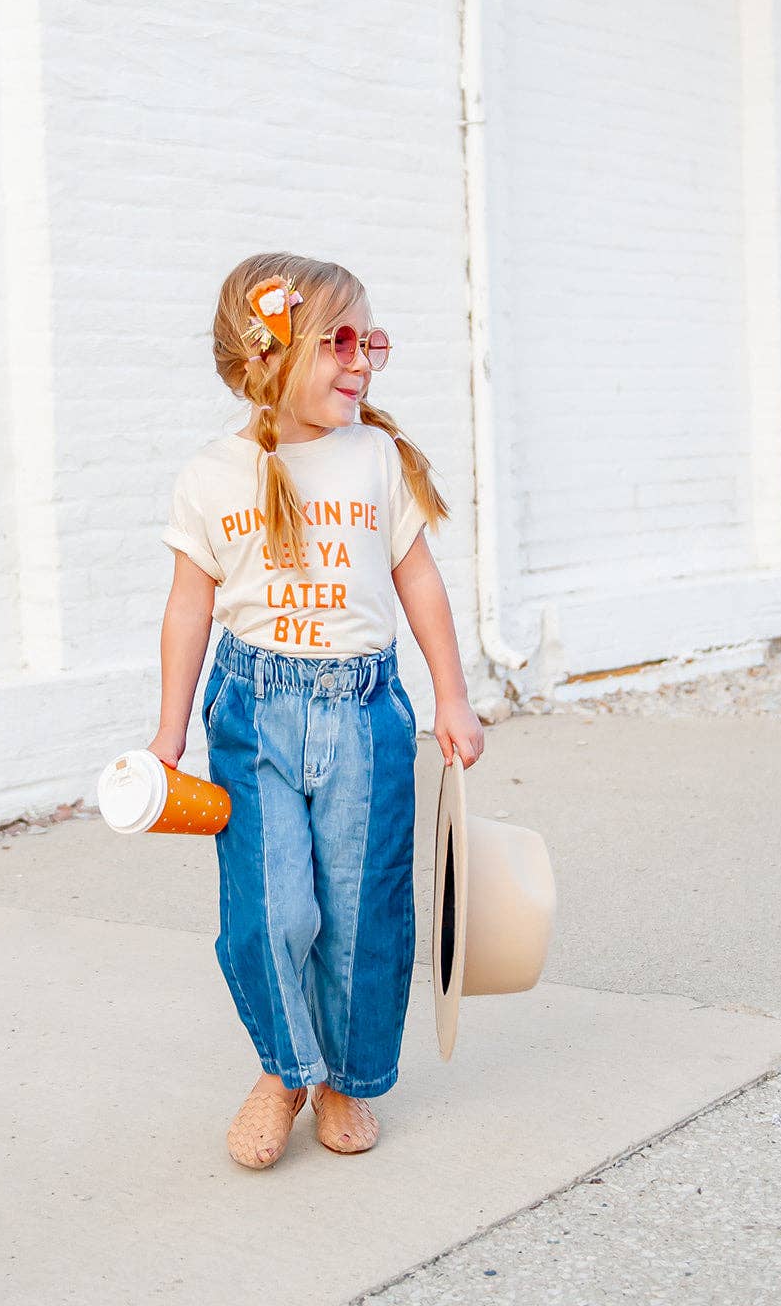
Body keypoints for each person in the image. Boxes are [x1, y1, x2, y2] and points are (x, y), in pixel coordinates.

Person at [150, 253, 485, 1170]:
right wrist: (170, 730)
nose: (362, 362)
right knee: (269, 909)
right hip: (252, 712)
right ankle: (281, 1068)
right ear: (269, 355)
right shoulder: (210, 476)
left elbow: (417, 581)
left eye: (369, 341)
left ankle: (344, 1077)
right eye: (340, 342)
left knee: (362, 909)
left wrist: (450, 696)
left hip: (362, 715)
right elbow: (188, 607)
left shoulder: (374, 458)